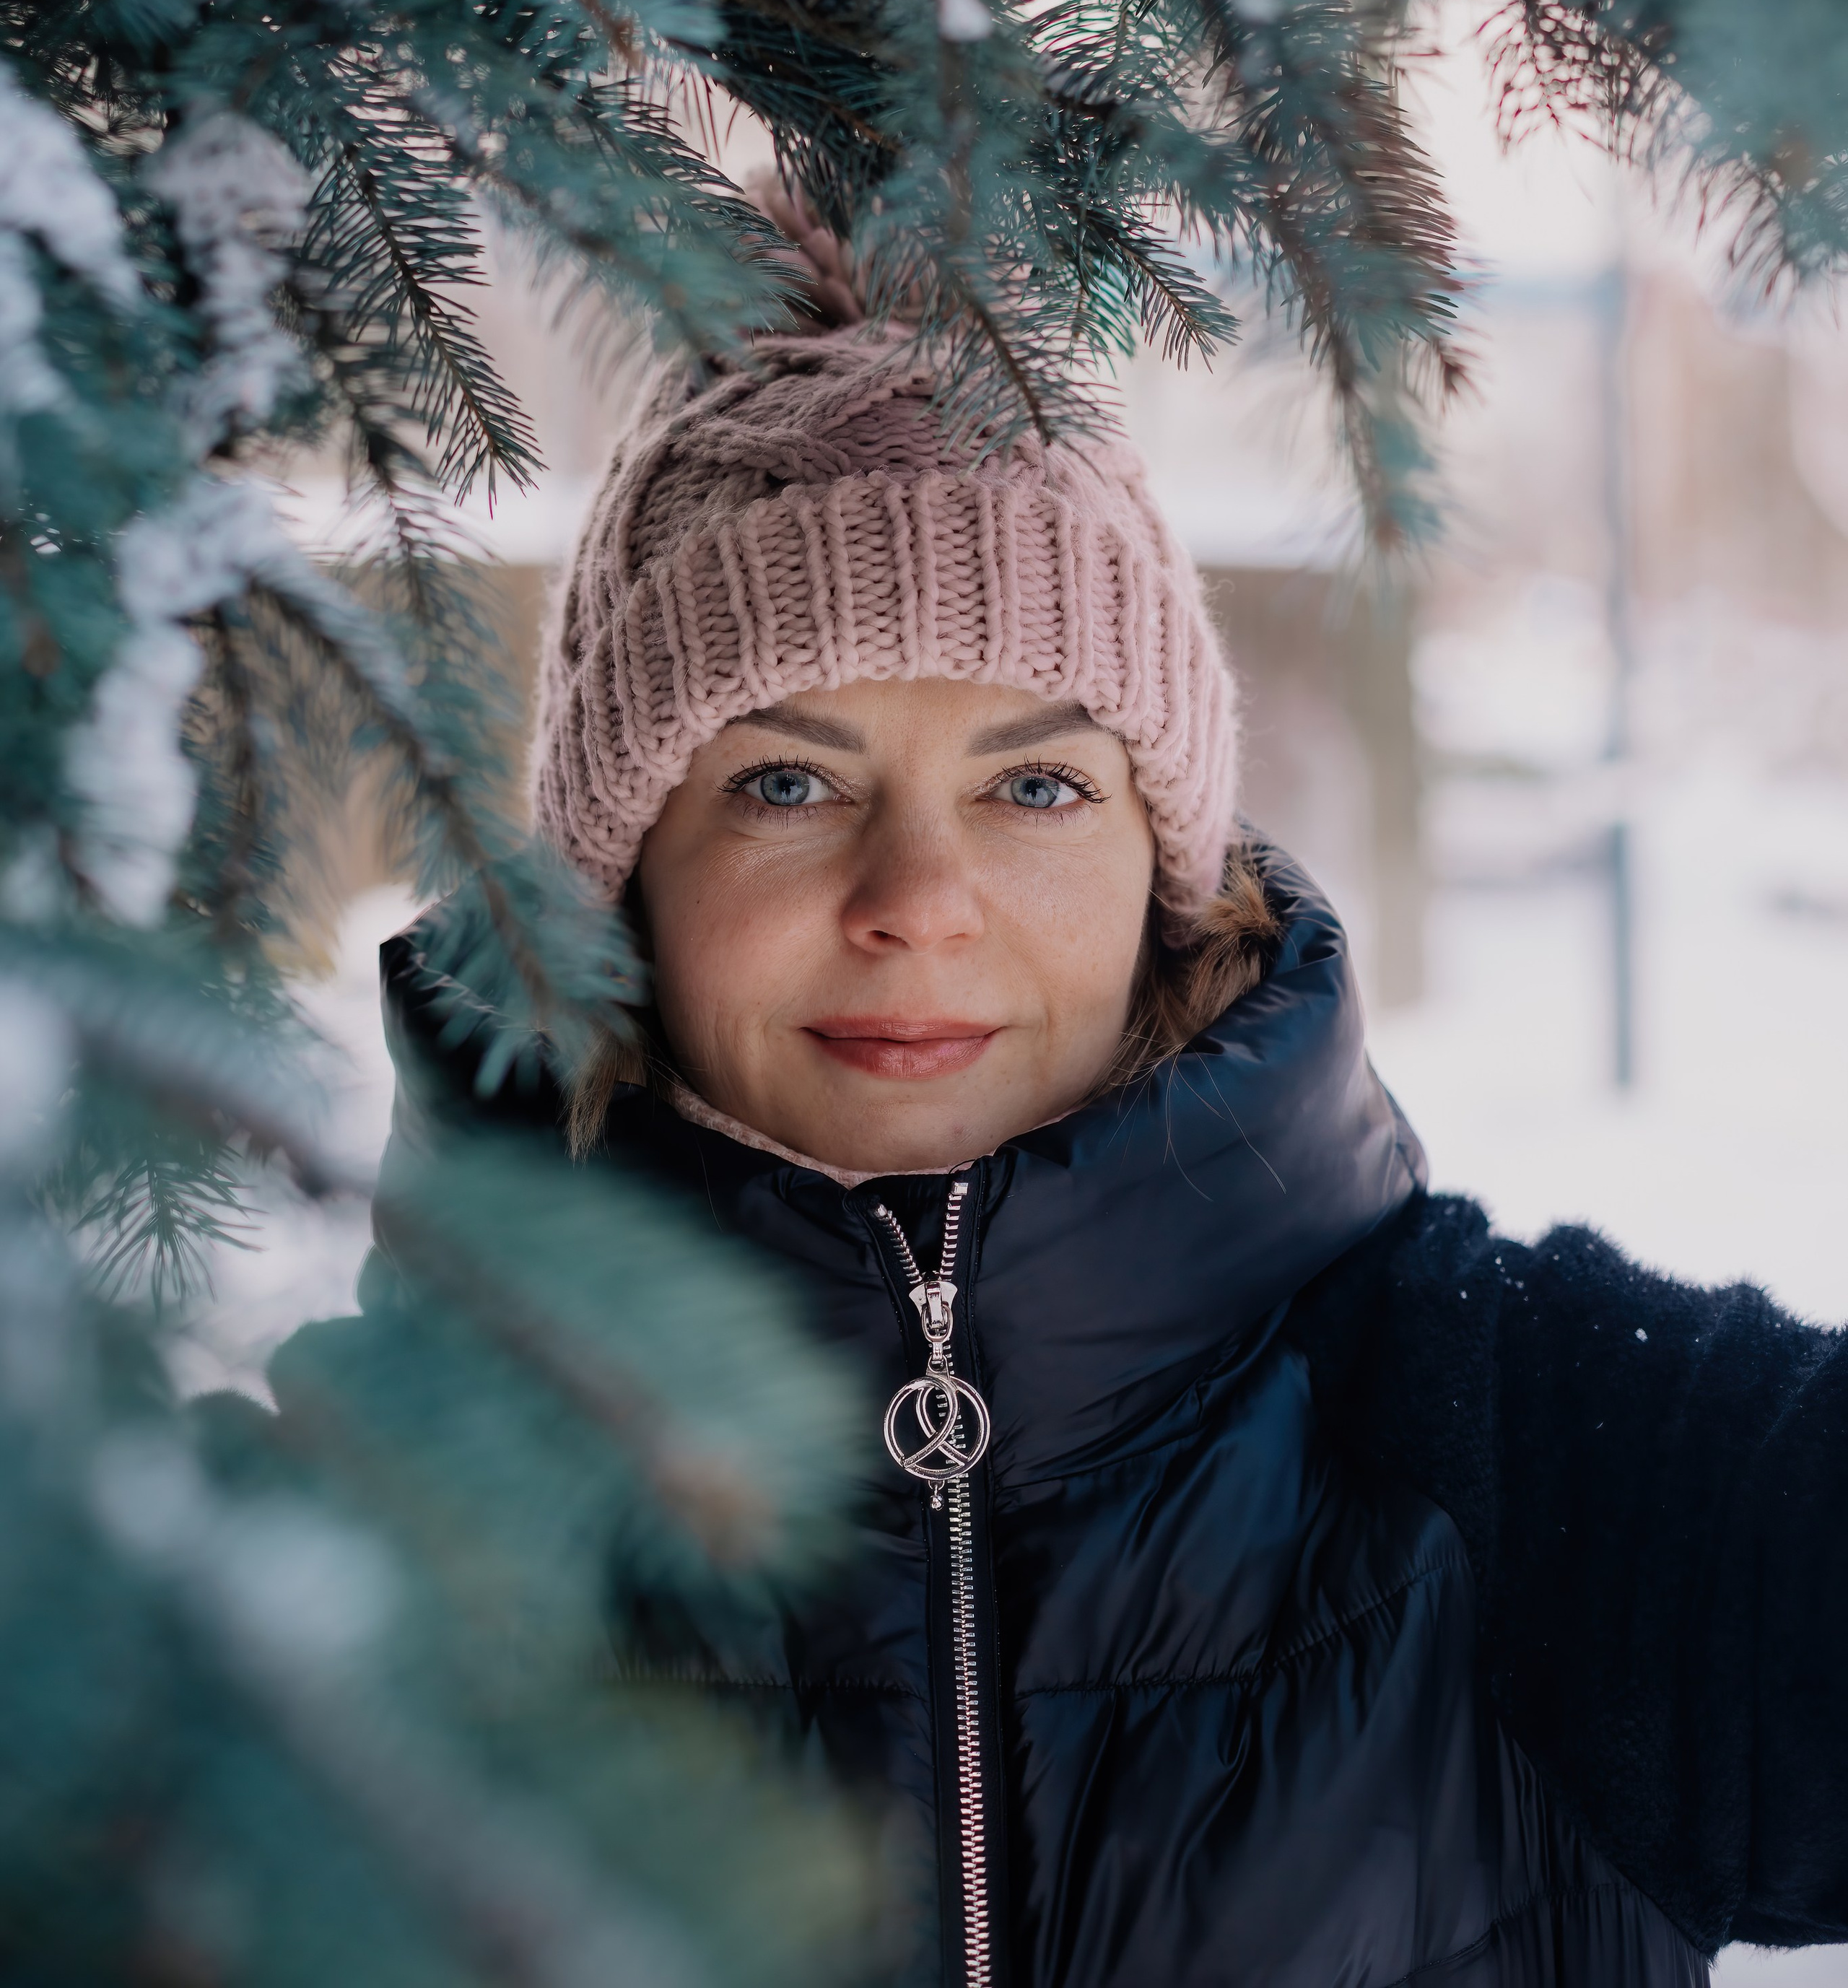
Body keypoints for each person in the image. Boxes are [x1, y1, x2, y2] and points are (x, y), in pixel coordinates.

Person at [378, 299, 1848, 1988]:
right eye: (785, 783)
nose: (918, 903)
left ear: (1165, 869)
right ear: (620, 882)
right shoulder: (331, 1560)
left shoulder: (1535, 1461)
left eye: (1034, 787)